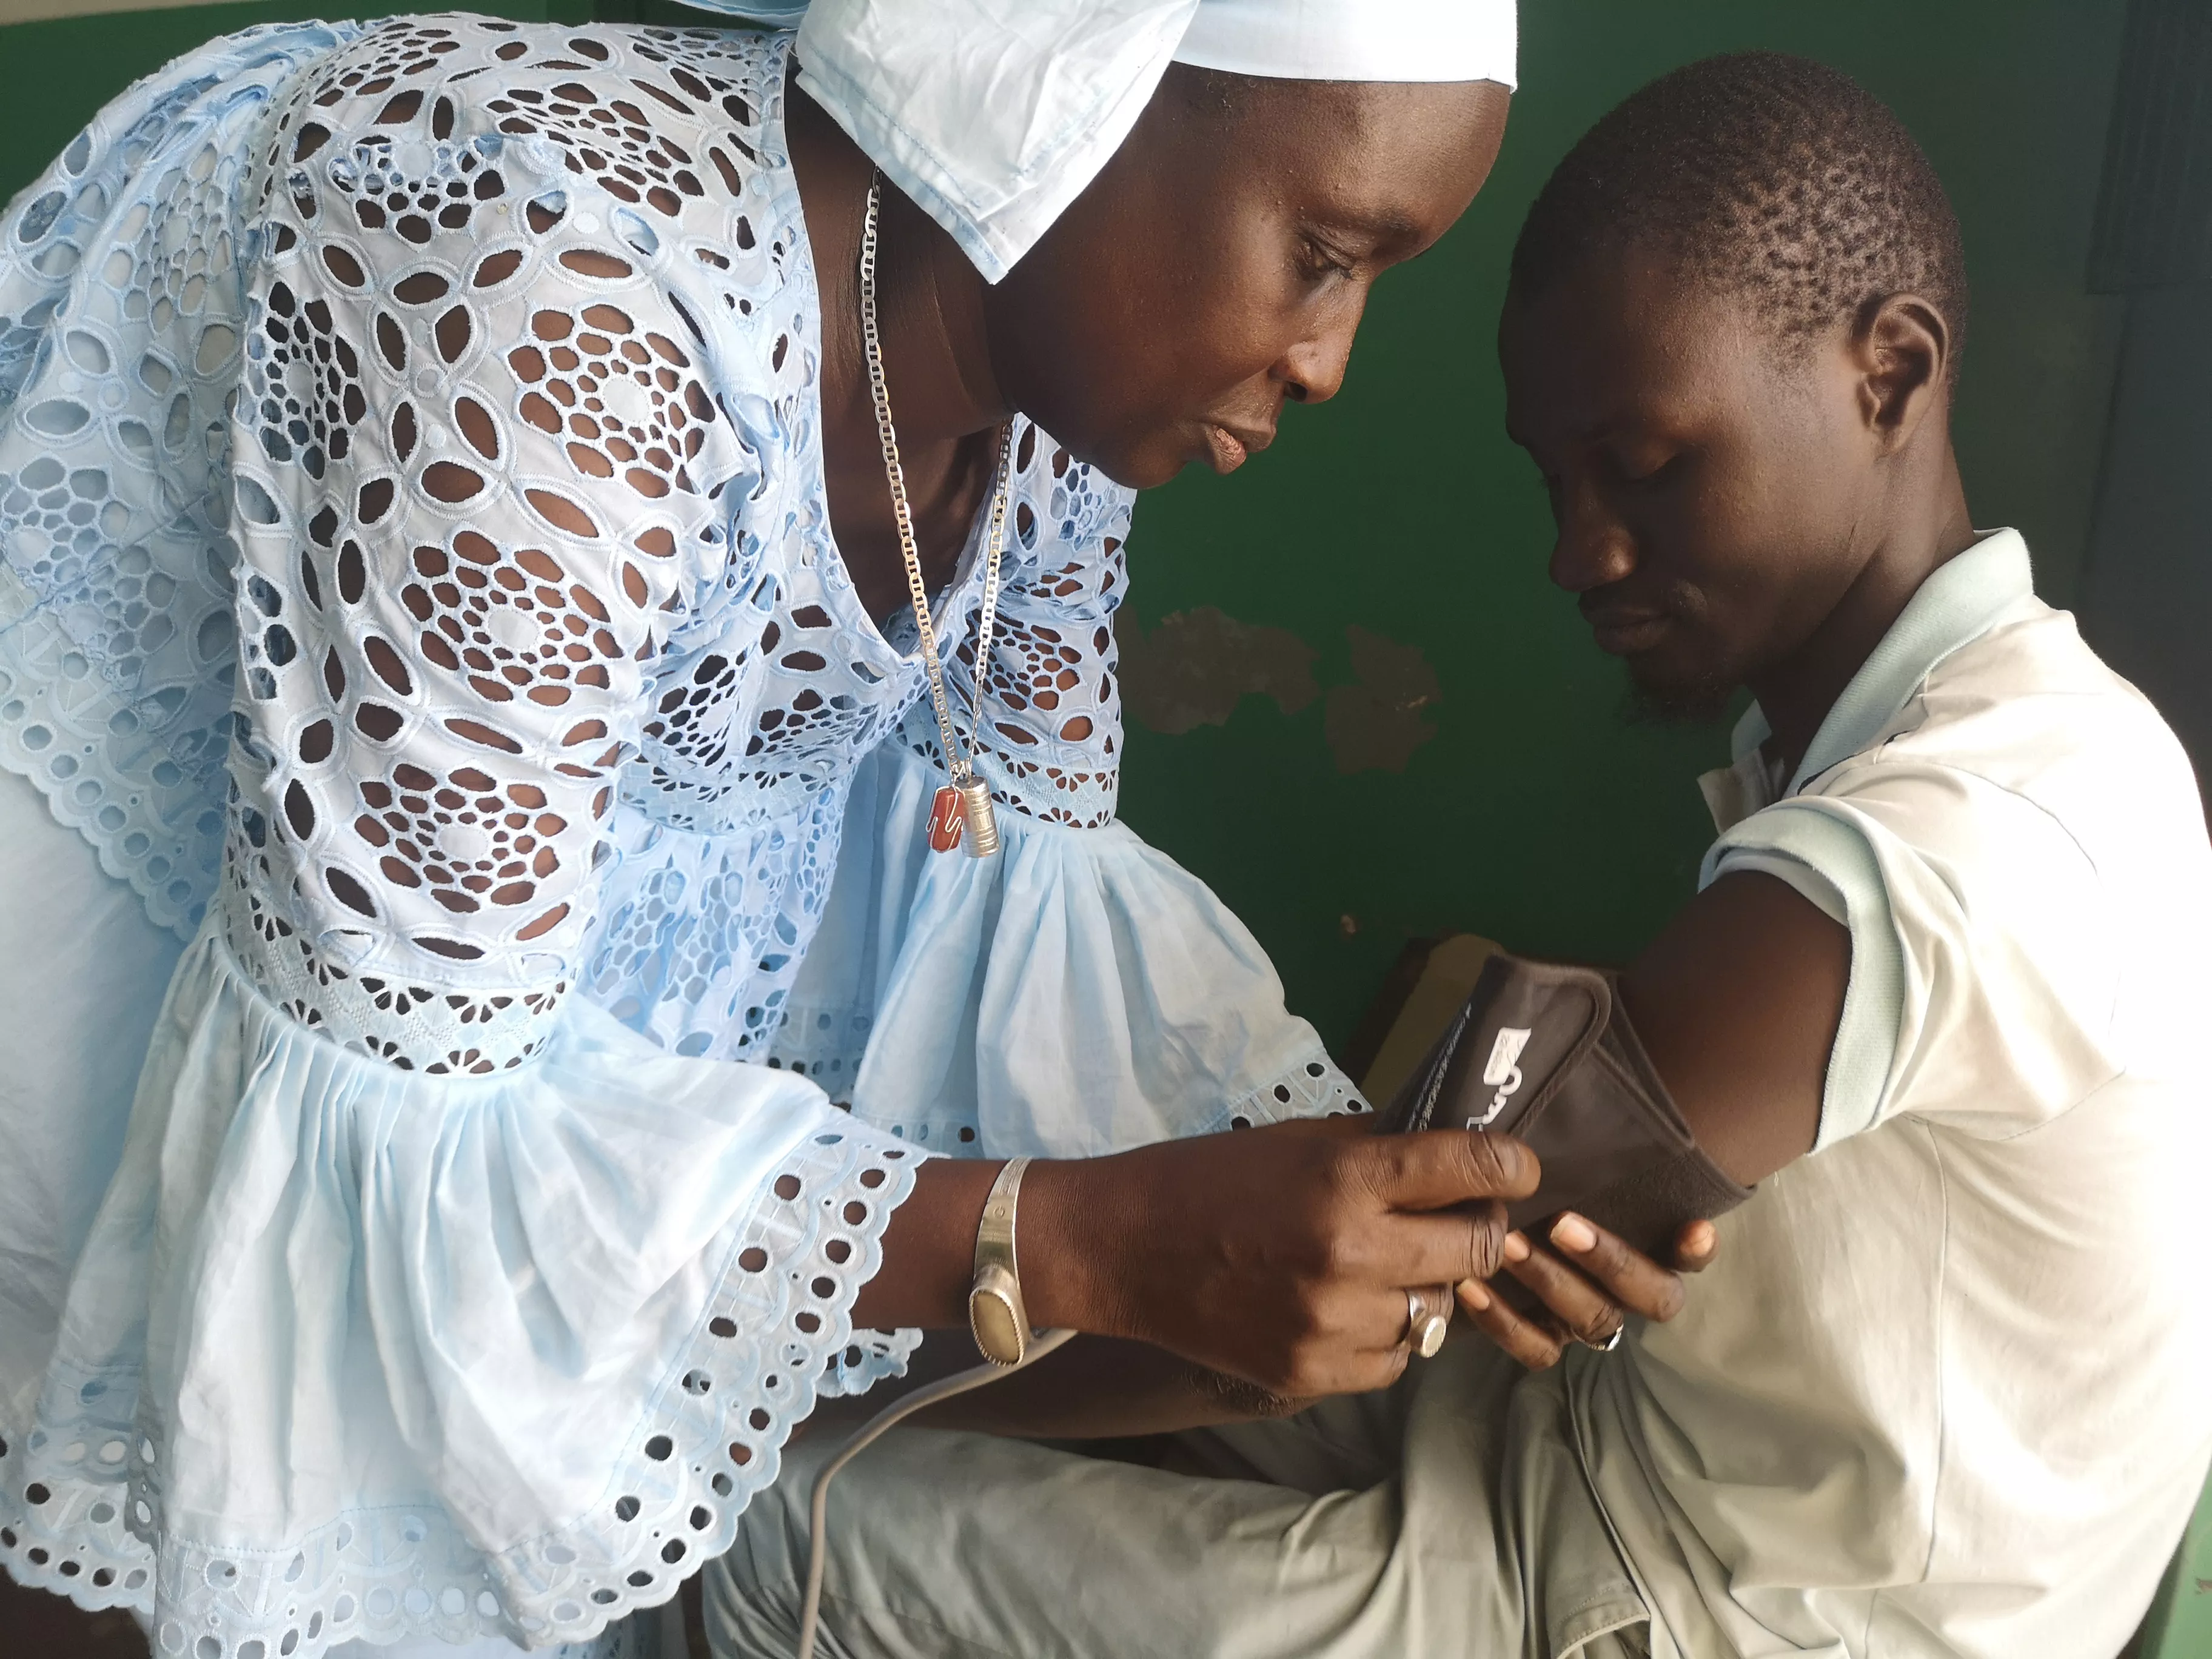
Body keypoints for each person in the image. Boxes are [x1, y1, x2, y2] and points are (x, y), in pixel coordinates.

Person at [0, 4, 1715, 1658]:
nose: (1331, 364)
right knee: (137, 1482)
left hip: (473, 1050)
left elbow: (1027, 937)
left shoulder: (1053, 417)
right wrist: (1090, 1242)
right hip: (215, 969)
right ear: (1069, 83)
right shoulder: (549, 289)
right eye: (1328, 254)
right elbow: (388, 1176)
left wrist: (1375, 1213)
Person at [709, 50, 2212, 1659]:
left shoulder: (1952, 847)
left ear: (1889, 375)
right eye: (1556, 483)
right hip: (1630, 1452)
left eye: (1643, 466)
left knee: (764, 1528)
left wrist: (798, 1417)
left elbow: (1346, 1282)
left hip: (1714, 1609)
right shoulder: (2010, 727)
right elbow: (1435, 1247)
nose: (1585, 551)